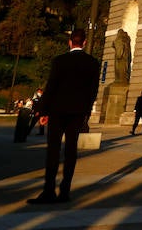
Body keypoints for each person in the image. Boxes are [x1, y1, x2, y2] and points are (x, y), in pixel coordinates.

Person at [28, 29, 101, 205]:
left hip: (57, 110)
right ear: (84, 43)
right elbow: (93, 91)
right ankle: (65, 191)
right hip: (77, 113)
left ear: (70, 42)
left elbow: (51, 86)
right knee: (70, 151)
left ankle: (49, 191)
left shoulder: (59, 61)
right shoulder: (93, 63)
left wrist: (43, 111)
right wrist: (86, 110)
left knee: (53, 150)